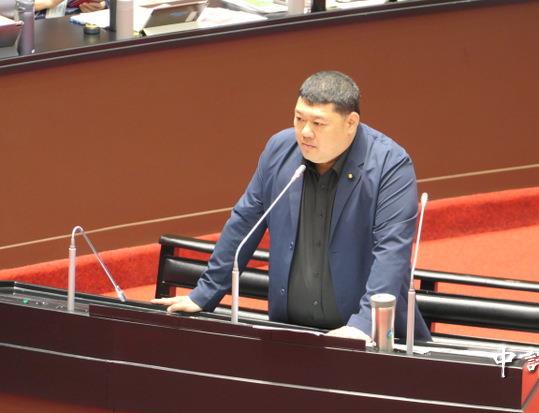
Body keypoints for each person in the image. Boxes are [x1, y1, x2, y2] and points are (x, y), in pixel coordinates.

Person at [152, 71, 430, 342]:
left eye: (318, 123)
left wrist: (364, 324)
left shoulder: (389, 165)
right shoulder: (279, 150)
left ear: (351, 123)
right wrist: (205, 293)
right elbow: (244, 222)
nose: (305, 132)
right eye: (299, 119)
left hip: (365, 337)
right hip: (288, 333)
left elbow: (391, 250)